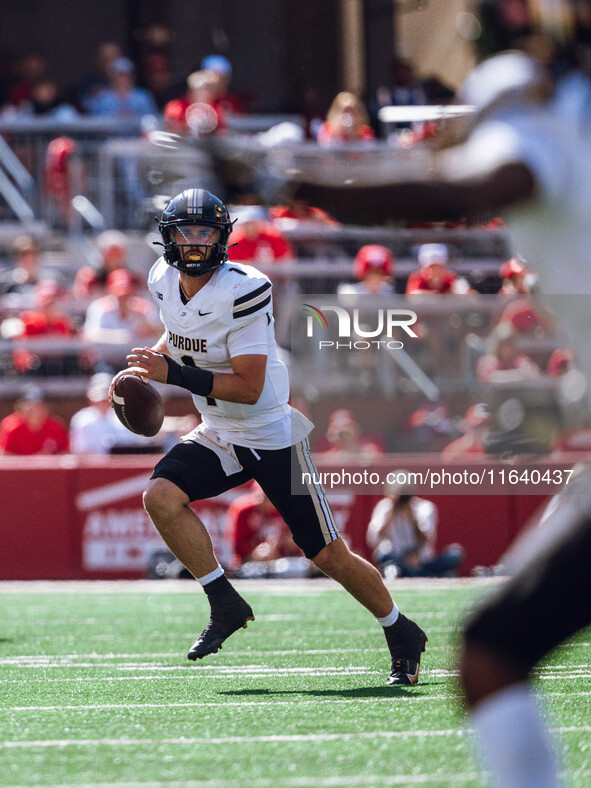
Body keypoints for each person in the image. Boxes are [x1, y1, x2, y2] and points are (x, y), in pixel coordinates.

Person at [289, 6, 591, 783]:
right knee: (493, 649)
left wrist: (283, 174)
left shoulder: (540, 122)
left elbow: (467, 183)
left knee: (492, 651)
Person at [108, 187, 427, 686]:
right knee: (160, 497)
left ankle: (402, 630)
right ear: (167, 238)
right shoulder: (161, 280)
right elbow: (180, 329)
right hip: (219, 429)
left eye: (205, 232)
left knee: (327, 554)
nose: (194, 243)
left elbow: (249, 385)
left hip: (270, 431)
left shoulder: (244, 288)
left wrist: (169, 373)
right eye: (185, 232)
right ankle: (224, 600)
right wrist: (142, 373)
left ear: (223, 237)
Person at [366, 485, 464, 578]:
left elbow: (428, 539)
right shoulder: (384, 508)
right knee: (383, 556)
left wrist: (413, 519)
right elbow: (372, 540)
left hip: (423, 562)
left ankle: (418, 573)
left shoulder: (424, 507)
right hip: (397, 561)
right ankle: (423, 575)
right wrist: (389, 516)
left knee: (455, 555)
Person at [69, 372, 161, 454]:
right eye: (100, 399)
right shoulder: (82, 419)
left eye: (106, 398)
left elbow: (137, 445)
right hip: (93, 469)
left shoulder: (123, 416)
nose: (103, 402)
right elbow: (79, 451)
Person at [226, 481, 302, 570]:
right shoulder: (244, 510)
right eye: (265, 497)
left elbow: (299, 545)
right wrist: (255, 553)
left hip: (284, 564)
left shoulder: (287, 510)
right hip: (249, 564)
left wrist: (293, 541)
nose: (268, 502)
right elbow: (237, 547)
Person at [0, 386, 69, 455]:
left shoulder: (55, 426)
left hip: (48, 466)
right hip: (21, 465)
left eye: (40, 406)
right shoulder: (12, 427)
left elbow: (66, 452)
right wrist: (32, 461)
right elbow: (6, 456)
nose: (36, 410)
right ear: (21, 407)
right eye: (31, 406)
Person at [86, 56, 158, 119]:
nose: (122, 79)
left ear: (132, 77)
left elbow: (151, 121)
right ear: (112, 78)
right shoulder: (103, 99)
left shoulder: (143, 97)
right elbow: (97, 123)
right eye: (119, 76)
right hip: (110, 134)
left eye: (126, 76)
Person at [228, 206, 294, 264]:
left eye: (253, 223)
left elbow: (285, 257)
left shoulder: (272, 237)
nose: (251, 227)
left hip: (274, 276)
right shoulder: (236, 241)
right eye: (248, 224)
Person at [405, 243, 471, 296]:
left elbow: (470, 294)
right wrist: (438, 295)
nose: (434, 270)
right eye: (431, 266)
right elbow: (412, 296)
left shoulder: (451, 277)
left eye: (438, 266)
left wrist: (461, 291)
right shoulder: (417, 277)